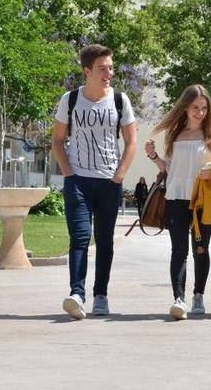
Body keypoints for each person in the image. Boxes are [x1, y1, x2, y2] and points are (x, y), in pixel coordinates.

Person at [52, 44, 137, 320]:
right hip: (77, 181)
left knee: (104, 241)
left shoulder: (120, 101)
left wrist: (119, 176)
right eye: (102, 68)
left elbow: (131, 141)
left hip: (109, 182)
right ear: (87, 71)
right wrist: (68, 173)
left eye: (111, 67)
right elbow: (57, 139)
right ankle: (77, 294)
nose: (109, 73)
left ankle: (101, 295)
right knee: (79, 238)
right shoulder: (71, 99)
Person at [145, 84, 211, 320]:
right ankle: (178, 299)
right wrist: (153, 156)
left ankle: (198, 296)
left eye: (203, 108)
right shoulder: (175, 134)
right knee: (179, 250)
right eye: (194, 108)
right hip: (176, 198)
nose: (199, 112)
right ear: (185, 108)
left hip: (203, 199)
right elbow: (168, 169)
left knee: (201, 249)